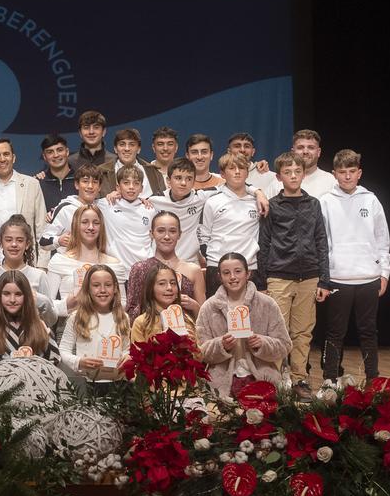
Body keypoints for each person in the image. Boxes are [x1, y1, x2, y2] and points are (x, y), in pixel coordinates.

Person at [257, 151, 331, 400]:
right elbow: (264, 243)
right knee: (277, 331)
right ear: (279, 177)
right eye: (287, 172)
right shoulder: (273, 206)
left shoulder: (313, 204)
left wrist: (324, 279)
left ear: (303, 174)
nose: (293, 176)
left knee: (303, 331)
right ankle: (277, 380)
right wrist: (264, 279)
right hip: (279, 276)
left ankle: (300, 379)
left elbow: (321, 241)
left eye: (297, 171)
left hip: (309, 276)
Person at [319, 149, 390, 382]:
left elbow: (382, 239)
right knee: (334, 333)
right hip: (339, 278)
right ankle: (330, 380)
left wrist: (385, 272)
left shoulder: (371, 199)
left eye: (352, 172)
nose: (347, 176)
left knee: (368, 332)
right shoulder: (326, 201)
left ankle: (373, 379)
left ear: (359, 173)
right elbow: (322, 242)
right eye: (342, 172)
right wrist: (324, 278)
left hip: (369, 276)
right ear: (334, 174)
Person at [196, 253, 291, 399]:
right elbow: (200, 352)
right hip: (221, 379)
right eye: (226, 273)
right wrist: (221, 345)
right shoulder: (209, 308)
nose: (232, 277)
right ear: (219, 277)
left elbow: (284, 345)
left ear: (248, 273)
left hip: (262, 376)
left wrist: (262, 343)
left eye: (238, 271)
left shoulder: (267, 304)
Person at [0, 139, 51, 272]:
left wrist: (42, 264)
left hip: (25, 263)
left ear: (13, 158)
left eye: (6, 154)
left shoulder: (31, 184)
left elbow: (41, 228)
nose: (2, 159)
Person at [47, 205, 130, 327]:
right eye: (85, 222)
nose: (91, 227)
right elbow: (47, 305)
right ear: (75, 225)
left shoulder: (114, 264)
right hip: (69, 326)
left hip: (105, 328)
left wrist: (104, 303)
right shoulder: (59, 261)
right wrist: (66, 304)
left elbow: (122, 303)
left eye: (96, 223)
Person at [200, 153, 266, 294]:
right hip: (217, 266)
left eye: (241, 168)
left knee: (250, 314)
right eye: (231, 168)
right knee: (218, 313)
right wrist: (213, 260)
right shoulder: (212, 201)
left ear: (247, 173)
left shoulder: (258, 202)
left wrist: (258, 192)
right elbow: (203, 235)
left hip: (249, 266)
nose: (237, 172)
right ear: (222, 174)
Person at [58, 264, 130, 392]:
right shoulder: (77, 317)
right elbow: (63, 350)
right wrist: (79, 361)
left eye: (108, 285)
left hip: (118, 384)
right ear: (88, 289)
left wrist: (127, 357)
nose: (102, 290)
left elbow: (126, 349)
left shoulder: (123, 317)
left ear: (115, 288)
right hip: (87, 383)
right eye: (96, 285)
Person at [0, 215, 62, 324]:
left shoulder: (39, 276)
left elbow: (51, 320)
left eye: (19, 240)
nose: (14, 244)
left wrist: (39, 299)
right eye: (8, 240)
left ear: (27, 244)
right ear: (0, 243)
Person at [125, 212, 205, 320]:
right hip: (151, 333)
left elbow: (205, 318)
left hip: (186, 332)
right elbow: (131, 314)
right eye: (161, 231)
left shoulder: (193, 270)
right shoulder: (140, 269)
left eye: (172, 231)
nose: (167, 236)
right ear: (151, 233)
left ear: (179, 234)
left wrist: (194, 306)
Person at [0, 269, 59, 367]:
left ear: (27, 296)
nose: (12, 300)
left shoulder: (40, 327)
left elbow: (54, 360)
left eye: (18, 294)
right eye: (6, 294)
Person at [97, 166, 156, 267]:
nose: (131, 187)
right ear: (118, 187)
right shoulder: (106, 204)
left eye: (136, 183)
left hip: (144, 269)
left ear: (142, 188)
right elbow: (83, 203)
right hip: (116, 269)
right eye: (126, 183)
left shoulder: (150, 209)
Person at [41, 163, 101, 257]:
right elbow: (43, 241)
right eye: (85, 181)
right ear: (77, 185)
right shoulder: (64, 209)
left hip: (94, 264)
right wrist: (58, 240)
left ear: (100, 187)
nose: (90, 186)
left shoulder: (103, 208)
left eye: (95, 182)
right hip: (68, 265)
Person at [130, 263, 197, 345]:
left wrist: (193, 345)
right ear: (151, 288)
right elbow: (137, 354)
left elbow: (199, 355)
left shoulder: (187, 320)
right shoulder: (141, 323)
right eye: (162, 283)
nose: (169, 288)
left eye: (173, 283)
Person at [96, 128, 164, 198]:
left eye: (132, 144)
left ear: (139, 149)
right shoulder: (101, 172)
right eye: (122, 144)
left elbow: (163, 202)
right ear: (115, 149)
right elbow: (94, 201)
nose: (127, 149)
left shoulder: (154, 172)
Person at [267, 129, 335, 198]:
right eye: (300, 148)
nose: (305, 152)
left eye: (311, 147)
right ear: (292, 152)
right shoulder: (277, 183)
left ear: (318, 152)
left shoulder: (331, 181)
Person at [35, 134, 74, 212]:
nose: (56, 155)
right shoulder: (38, 183)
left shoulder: (81, 180)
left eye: (60, 150)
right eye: (50, 152)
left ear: (67, 152)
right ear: (44, 157)